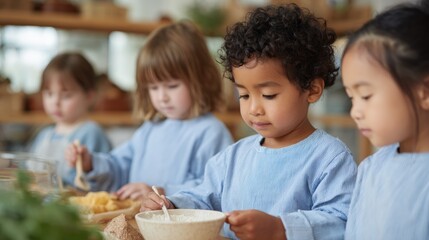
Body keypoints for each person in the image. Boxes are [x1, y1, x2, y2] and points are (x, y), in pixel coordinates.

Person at [141, 4, 357, 240]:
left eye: (268, 95)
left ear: (312, 89)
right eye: (244, 95)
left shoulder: (329, 158)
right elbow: (202, 197)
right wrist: (171, 204)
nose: (254, 108)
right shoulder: (232, 158)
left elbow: (341, 221)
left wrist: (279, 228)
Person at [65, 20, 233, 199]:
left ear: (202, 79)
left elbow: (214, 188)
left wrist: (161, 193)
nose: (162, 97)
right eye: (153, 88)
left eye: (172, 86)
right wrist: (91, 163)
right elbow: (120, 165)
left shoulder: (211, 133)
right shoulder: (151, 128)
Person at [341, 3, 429, 239]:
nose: (355, 112)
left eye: (366, 96)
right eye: (351, 97)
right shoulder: (371, 168)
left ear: (425, 91)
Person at [30, 52, 112, 188]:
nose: (55, 102)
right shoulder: (44, 134)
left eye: (66, 95)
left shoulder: (91, 133)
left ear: (90, 96)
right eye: (49, 94)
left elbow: (100, 182)